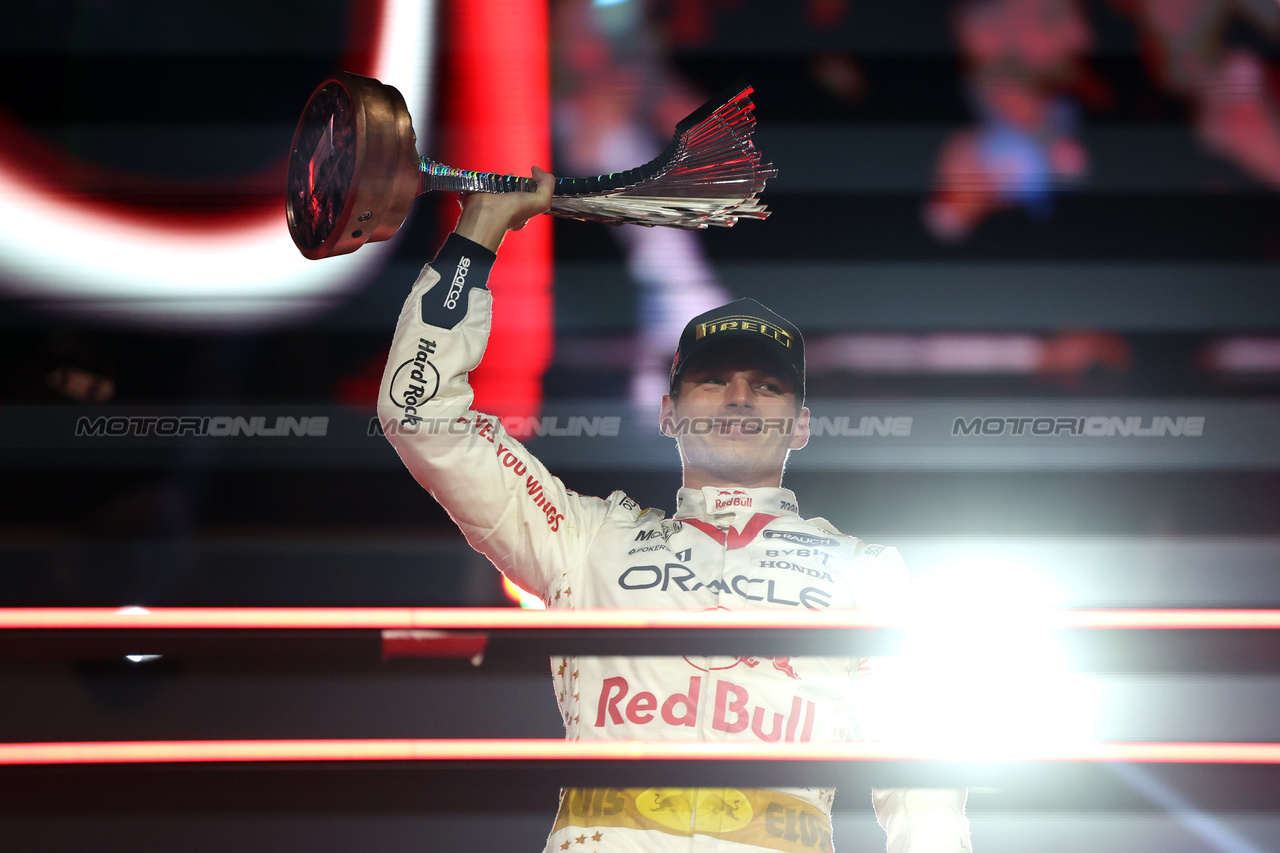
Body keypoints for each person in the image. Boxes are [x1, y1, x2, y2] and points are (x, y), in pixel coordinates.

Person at [377, 169, 972, 853]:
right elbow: (419, 413)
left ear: (801, 423)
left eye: (767, 385)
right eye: (713, 379)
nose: (739, 398)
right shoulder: (585, 539)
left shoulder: (866, 576)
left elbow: (923, 782)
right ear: (667, 413)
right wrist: (478, 235)